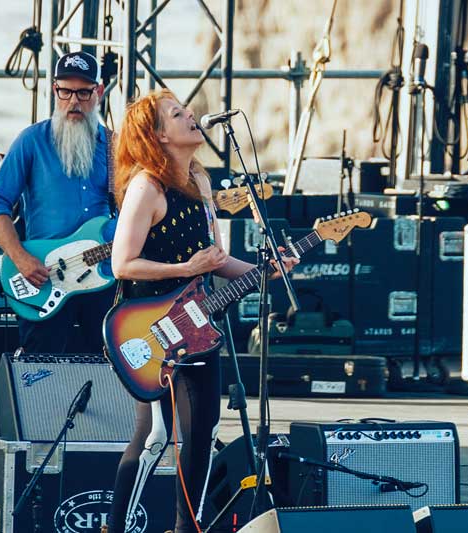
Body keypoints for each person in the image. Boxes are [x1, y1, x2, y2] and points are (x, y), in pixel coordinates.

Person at [104, 89, 297, 533]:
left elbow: (217, 259)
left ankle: (186, 527)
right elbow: (122, 263)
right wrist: (183, 267)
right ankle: (118, 526)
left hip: (199, 324)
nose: (191, 117)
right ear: (157, 135)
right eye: (177, 114)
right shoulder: (145, 187)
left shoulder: (200, 179)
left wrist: (267, 271)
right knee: (154, 437)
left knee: (204, 433)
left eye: (186, 110)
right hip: (150, 326)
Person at [0, 50, 113, 353]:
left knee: (110, 366)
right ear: (54, 89)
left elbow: (135, 210)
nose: (74, 102)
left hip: (104, 276)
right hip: (45, 275)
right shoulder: (31, 141)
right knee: (43, 367)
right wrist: (21, 258)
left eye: (83, 92)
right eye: (65, 91)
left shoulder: (115, 146)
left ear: (99, 92)